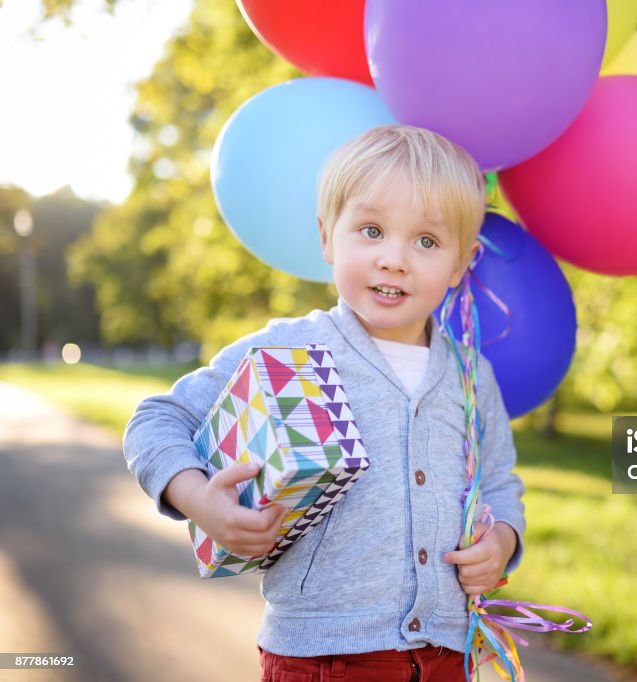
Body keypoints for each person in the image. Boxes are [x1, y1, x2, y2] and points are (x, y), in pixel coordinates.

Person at [123, 124, 526, 681]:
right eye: (371, 230)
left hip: (448, 655)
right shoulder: (291, 347)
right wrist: (200, 501)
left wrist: (502, 541)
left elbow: (500, 482)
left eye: (427, 242)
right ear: (327, 237)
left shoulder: (470, 375)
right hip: (322, 657)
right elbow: (156, 419)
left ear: (462, 264)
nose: (394, 259)